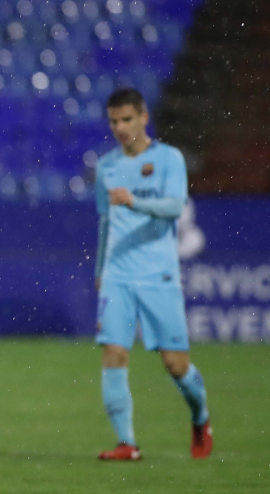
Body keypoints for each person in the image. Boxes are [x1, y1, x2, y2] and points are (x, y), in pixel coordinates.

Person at [93, 88, 211, 461]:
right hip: (117, 275)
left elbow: (175, 206)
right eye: (114, 121)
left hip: (158, 275)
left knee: (175, 365)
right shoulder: (106, 167)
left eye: (127, 119)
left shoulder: (169, 159)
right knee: (113, 354)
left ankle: (201, 417)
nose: (120, 127)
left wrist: (135, 200)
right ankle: (127, 444)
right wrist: (100, 269)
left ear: (144, 118)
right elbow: (104, 221)